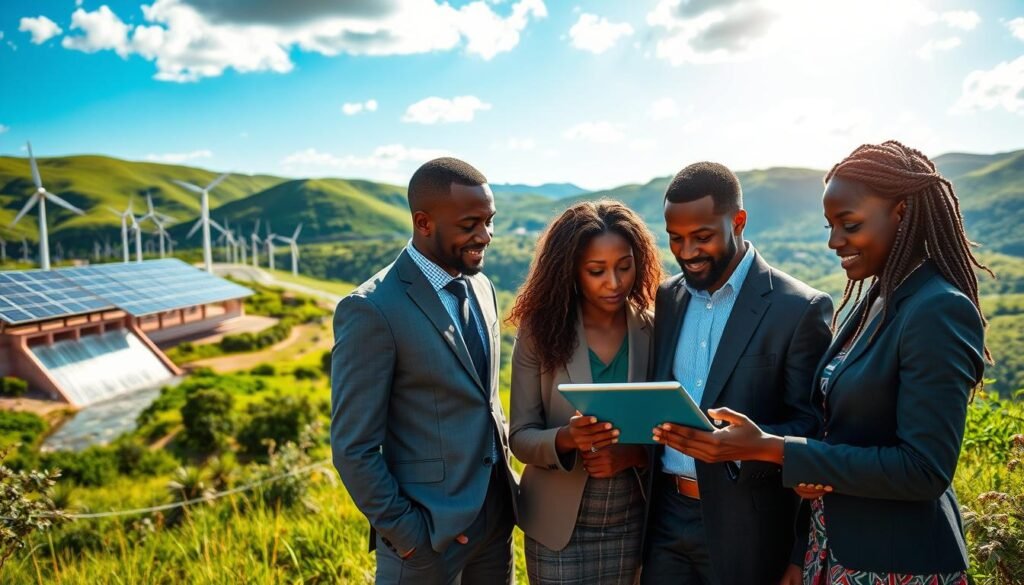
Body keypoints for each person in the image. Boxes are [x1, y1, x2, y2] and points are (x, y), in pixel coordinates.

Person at [654, 141, 989, 584]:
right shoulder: (878, 298)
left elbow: (924, 470)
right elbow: (839, 435)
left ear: (902, 212)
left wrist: (770, 447)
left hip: (896, 562)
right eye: (831, 225)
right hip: (833, 547)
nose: (834, 242)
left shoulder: (937, 309)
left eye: (849, 225)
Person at [642, 162, 834, 585]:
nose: (687, 251)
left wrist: (800, 555)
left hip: (751, 532)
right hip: (665, 521)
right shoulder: (668, 296)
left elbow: (813, 430)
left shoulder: (799, 309)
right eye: (676, 239)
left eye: (702, 237)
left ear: (739, 221)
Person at [330, 157, 517, 584]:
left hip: (495, 525)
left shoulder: (483, 286)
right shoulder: (370, 309)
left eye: (490, 221)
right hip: (426, 544)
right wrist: (407, 535)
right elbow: (352, 448)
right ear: (423, 222)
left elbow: (485, 401)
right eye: (471, 224)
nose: (485, 236)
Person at [508, 200, 665, 585]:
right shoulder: (539, 333)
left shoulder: (657, 329)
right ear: (571, 272)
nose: (614, 282)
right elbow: (520, 438)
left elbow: (672, 429)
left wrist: (634, 456)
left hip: (634, 524)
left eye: (624, 266)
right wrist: (566, 438)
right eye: (597, 271)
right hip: (557, 531)